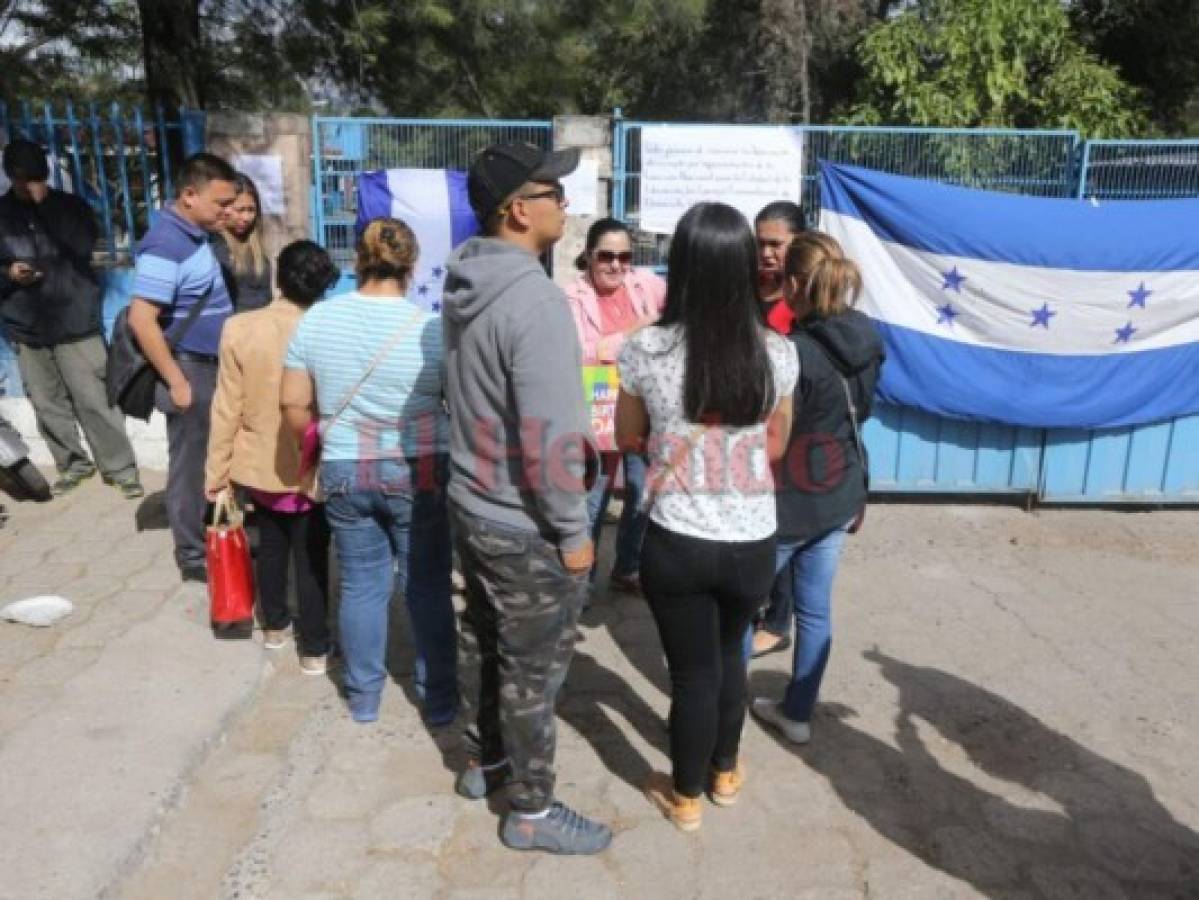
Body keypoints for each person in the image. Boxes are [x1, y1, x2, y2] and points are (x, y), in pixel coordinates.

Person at [442, 142, 611, 855]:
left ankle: (484, 763)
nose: (565, 207)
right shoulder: (535, 301)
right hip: (523, 521)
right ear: (519, 209)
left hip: (473, 501)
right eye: (556, 194)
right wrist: (572, 530)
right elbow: (550, 437)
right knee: (532, 672)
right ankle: (532, 811)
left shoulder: (461, 279)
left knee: (483, 640)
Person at [615, 202, 797, 833]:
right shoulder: (777, 352)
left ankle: (685, 795)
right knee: (731, 661)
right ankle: (724, 772)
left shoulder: (645, 347)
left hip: (678, 539)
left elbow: (628, 436)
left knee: (692, 675)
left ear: (682, 266)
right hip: (752, 541)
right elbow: (775, 446)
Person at [281, 218, 458, 726]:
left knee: (361, 585)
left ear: (355, 259)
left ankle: (363, 698)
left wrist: (311, 452)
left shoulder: (315, 321)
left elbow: (293, 403)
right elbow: (458, 402)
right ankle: (440, 700)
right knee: (425, 584)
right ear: (413, 264)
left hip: (343, 467)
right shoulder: (431, 326)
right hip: (418, 465)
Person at [751, 231, 884, 746]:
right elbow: (865, 410)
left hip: (788, 502)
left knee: (739, 613)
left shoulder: (793, 353)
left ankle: (716, 722)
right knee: (815, 611)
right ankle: (798, 713)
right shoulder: (866, 335)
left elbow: (772, 437)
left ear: (796, 284)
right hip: (839, 492)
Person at [205, 240, 339, 672]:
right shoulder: (327, 326)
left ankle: (276, 626)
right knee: (312, 556)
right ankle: (315, 649)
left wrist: (217, 473)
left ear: (279, 278)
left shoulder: (240, 328)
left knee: (272, 546)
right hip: (310, 462)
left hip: (258, 463)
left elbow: (226, 406)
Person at [0, 139, 143, 498]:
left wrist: (45, 209)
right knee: (47, 404)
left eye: (32, 178)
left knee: (95, 400)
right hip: (25, 324)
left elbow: (82, 246)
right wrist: (8, 274)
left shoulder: (71, 208)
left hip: (76, 321)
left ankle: (121, 469)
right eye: (19, 180)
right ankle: (72, 464)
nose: (26, 186)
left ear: (44, 176)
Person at [127, 152, 238, 582]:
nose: (227, 211)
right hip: (191, 370)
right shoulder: (166, 243)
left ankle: (211, 535)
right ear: (190, 195)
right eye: (221, 203)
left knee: (210, 459)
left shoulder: (194, 235)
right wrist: (176, 381)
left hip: (210, 367)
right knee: (190, 466)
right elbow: (142, 318)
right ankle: (192, 557)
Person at [564, 217, 665, 594]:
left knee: (642, 495)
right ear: (589, 256)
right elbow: (583, 353)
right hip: (598, 415)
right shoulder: (572, 297)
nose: (616, 265)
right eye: (606, 255)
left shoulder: (644, 283)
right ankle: (581, 585)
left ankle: (627, 566)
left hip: (643, 412)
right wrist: (635, 331)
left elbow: (676, 307)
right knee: (593, 500)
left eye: (625, 256)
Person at [751, 200, 806, 658]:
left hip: (788, 432)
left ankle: (778, 619)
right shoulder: (746, 291)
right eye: (761, 243)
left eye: (776, 244)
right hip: (744, 431)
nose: (767, 253)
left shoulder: (803, 303)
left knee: (782, 528)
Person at [214, 173, 272, 312]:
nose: (246, 218)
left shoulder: (256, 248)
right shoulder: (216, 246)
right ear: (225, 209)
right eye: (240, 210)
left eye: (251, 210)